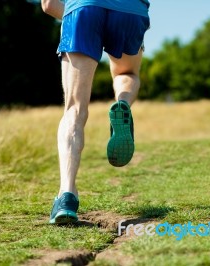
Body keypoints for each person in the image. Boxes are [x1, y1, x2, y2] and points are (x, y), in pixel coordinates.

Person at [41, 0, 150, 225]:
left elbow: (49, 4)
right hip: (130, 10)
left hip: (83, 8)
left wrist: (81, 19)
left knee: (74, 110)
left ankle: (66, 195)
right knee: (126, 72)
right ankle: (123, 103)